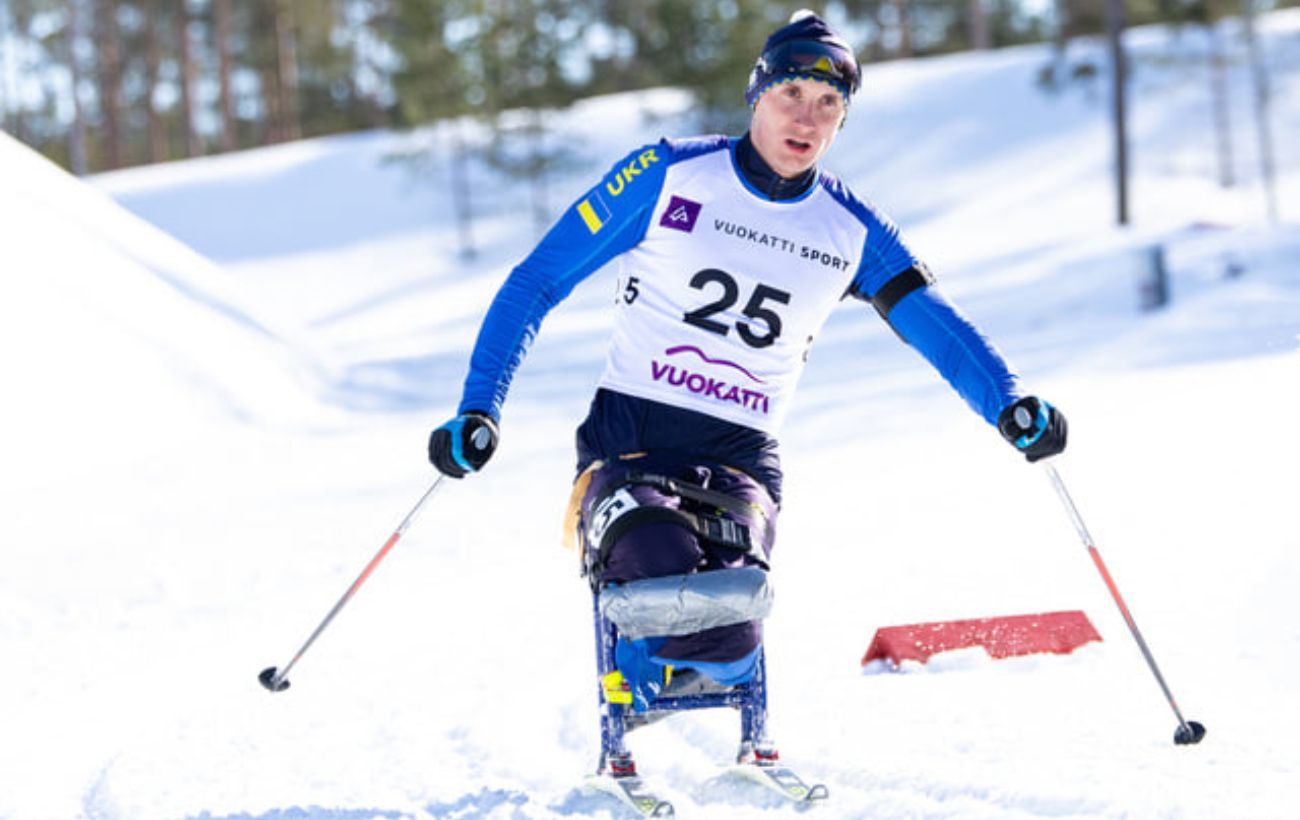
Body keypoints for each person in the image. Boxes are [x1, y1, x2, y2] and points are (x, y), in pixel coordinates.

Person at [429, 7, 1066, 744]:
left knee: (730, 628)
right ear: (756, 94)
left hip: (740, 456)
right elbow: (536, 281)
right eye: (792, 93)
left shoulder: (851, 229)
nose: (808, 118)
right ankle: (637, 653)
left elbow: (939, 329)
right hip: (630, 437)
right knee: (658, 561)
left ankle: (664, 657)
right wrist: (481, 407)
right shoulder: (665, 173)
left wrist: (1009, 403)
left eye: (830, 105)